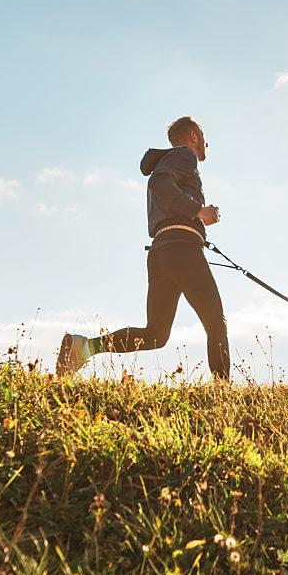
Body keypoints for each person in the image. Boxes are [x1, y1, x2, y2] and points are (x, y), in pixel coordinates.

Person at [55, 116, 230, 380]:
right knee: (216, 322)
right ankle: (222, 393)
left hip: (161, 252)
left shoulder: (170, 160)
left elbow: (162, 186)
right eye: (203, 135)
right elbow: (159, 182)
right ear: (194, 136)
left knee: (156, 334)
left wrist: (198, 217)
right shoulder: (184, 156)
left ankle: (84, 347)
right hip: (182, 250)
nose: (207, 142)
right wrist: (198, 210)